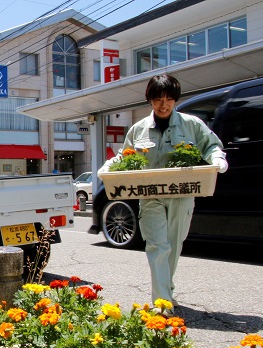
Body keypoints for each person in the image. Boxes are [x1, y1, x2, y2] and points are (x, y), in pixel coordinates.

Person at [98, 74, 228, 313]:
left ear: (175, 99)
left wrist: (217, 158)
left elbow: (211, 145)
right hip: (150, 194)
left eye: (169, 98)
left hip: (181, 193)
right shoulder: (138, 130)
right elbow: (126, 156)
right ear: (150, 100)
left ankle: (166, 289)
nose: (164, 104)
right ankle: (162, 302)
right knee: (157, 245)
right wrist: (110, 166)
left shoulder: (192, 124)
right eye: (158, 99)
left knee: (174, 244)